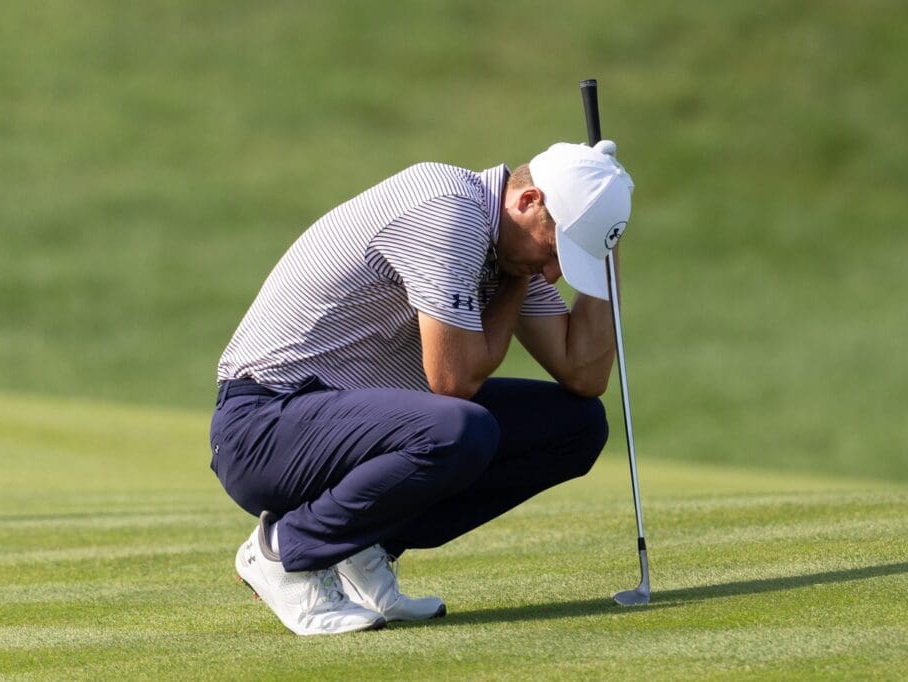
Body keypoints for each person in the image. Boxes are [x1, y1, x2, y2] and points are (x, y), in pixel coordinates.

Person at [210, 140, 634, 636]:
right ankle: (284, 551)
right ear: (526, 201)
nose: (554, 272)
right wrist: (516, 282)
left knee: (575, 427)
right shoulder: (448, 213)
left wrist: (605, 248)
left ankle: (364, 547)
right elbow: (454, 381)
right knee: (460, 427)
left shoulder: (512, 246)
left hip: (337, 421)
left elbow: (584, 374)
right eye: (556, 249)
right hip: (263, 426)